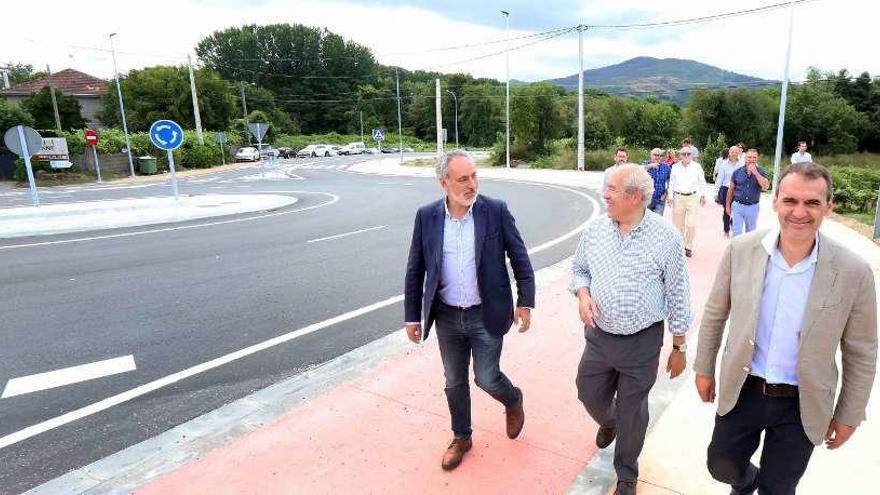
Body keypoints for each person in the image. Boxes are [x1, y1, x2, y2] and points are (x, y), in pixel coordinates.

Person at [695, 162, 877, 495]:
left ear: (829, 207)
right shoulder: (742, 250)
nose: (799, 212)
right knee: (721, 464)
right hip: (744, 388)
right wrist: (704, 368)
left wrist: (850, 412)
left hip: (802, 402)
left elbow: (862, 350)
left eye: (812, 203)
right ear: (775, 201)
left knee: (779, 489)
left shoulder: (854, 271)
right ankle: (747, 481)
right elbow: (714, 313)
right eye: (790, 201)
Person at [404, 150, 535, 471]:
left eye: (474, 175)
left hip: (486, 312)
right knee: (454, 381)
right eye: (463, 178)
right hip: (446, 315)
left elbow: (520, 259)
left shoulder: (496, 211)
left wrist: (525, 301)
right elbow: (415, 268)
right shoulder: (427, 216)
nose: (472, 184)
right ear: (443, 182)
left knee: (486, 378)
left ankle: (512, 399)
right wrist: (412, 315)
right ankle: (461, 437)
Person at [571, 164, 692, 495]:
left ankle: (626, 474)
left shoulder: (666, 238)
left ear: (636, 197)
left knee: (633, 411)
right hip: (599, 337)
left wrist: (679, 346)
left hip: (642, 342)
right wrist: (583, 295)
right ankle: (610, 422)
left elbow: (678, 293)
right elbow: (580, 269)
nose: (604, 195)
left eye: (611, 190)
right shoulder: (595, 231)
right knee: (587, 391)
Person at [668, 147, 707, 257]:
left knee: (691, 224)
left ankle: (688, 246)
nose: (686, 156)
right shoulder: (675, 167)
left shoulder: (697, 167)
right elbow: (672, 182)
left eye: (688, 154)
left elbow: (702, 182)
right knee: (678, 225)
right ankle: (680, 246)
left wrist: (703, 195)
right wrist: (670, 196)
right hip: (678, 197)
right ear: (680, 155)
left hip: (692, 197)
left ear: (691, 155)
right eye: (683, 154)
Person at [725, 149, 770, 237]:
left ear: (757, 159)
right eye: (749, 157)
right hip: (738, 206)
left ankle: (747, 250)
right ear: (745, 158)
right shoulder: (737, 172)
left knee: (750, 235)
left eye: (754, 157)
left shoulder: (761, 171)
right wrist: (727, 205)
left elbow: (766, 187)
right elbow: (731, 190)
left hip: (753, 207)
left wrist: (755, 173)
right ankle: (737, 250)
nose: (752, 159)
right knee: (736, 233)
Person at [715, 146, 743, 237]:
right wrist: (716, 193)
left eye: (736, 152)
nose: (734, 154)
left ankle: (733, 224)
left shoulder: (742, 164)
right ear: (729, 153)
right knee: (726, 210)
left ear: (738, 153)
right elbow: (719, 179)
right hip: (725, 190)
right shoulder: (723, 165)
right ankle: (726, 230)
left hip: (738, 190)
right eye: (732, 152)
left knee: (736, 209)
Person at [644, 147, 671, 216]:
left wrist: (666, 193)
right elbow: (638, 171)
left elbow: (671, 182)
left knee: (657, 221)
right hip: (646, 199)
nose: (658, 157)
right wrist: (651, 165)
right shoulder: (646, 164)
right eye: (655, 155)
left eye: (660, 155)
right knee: (645, 221)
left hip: (660, 200)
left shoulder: (666, 167)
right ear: (651, 155)